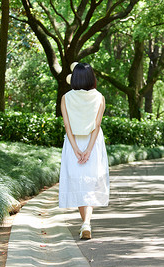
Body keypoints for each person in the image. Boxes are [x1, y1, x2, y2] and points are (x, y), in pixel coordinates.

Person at [58, 63, 109, 240]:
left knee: (79, 182)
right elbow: (96, 125)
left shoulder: (66, 97)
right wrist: (88, 150)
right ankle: (86, 223)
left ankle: (85, 223)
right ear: (91, 78)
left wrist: (76, 149)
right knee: (90, 182)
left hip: (74, 143)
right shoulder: (99, 97)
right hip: (92, 143)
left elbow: (67, 126)